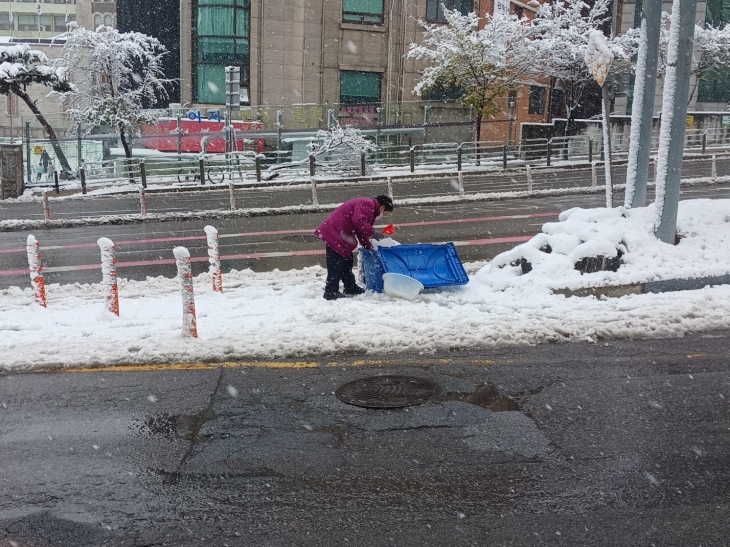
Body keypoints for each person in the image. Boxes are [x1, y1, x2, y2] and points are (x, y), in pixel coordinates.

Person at [314, 195, 394, 300]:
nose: (383, 215)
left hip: (340, 233)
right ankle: (330, 291)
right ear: (382, 207)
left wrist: (368, 246)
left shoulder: (369, 210)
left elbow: (360, 230)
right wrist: (373, 233)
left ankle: (350, 287)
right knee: (336, 263)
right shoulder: (368, 204)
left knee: (347, 260)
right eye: (385, 213)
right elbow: (359, 222)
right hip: (335, 232)